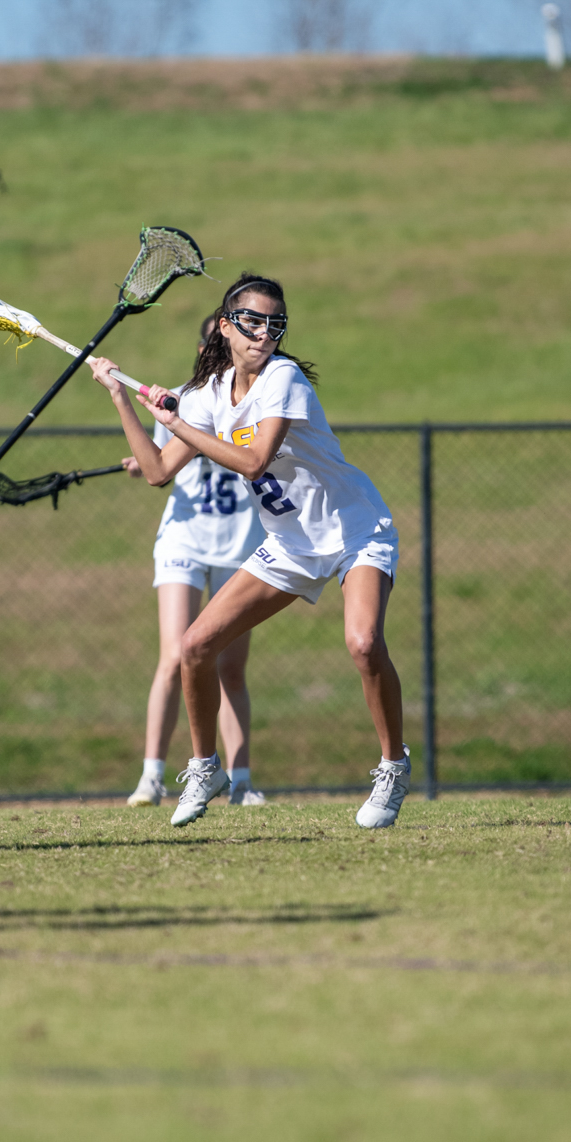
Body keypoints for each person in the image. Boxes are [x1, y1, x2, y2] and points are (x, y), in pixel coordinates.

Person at [89, 273, 408, 830]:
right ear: (227, 325)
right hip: (290, 544)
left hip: (354, 528)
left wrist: (179, 424)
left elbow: (254, 461)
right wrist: (124, 400)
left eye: (275, 323)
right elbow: (158, 471)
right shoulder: (209, 395)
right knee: (193, 647)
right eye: (253, 321)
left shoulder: (282, 379)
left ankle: (392, 766)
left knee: (363, 643)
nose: (265, 332)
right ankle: (205, 767)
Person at [120, 313, 268, 809]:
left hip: (241, 542)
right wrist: (143, 453)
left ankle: (240, 778)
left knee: (230, 667)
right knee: (173, 656)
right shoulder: (182, 398)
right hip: (185, 540)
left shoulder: (260, 395)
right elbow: (159, 464)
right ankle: (151, 777)